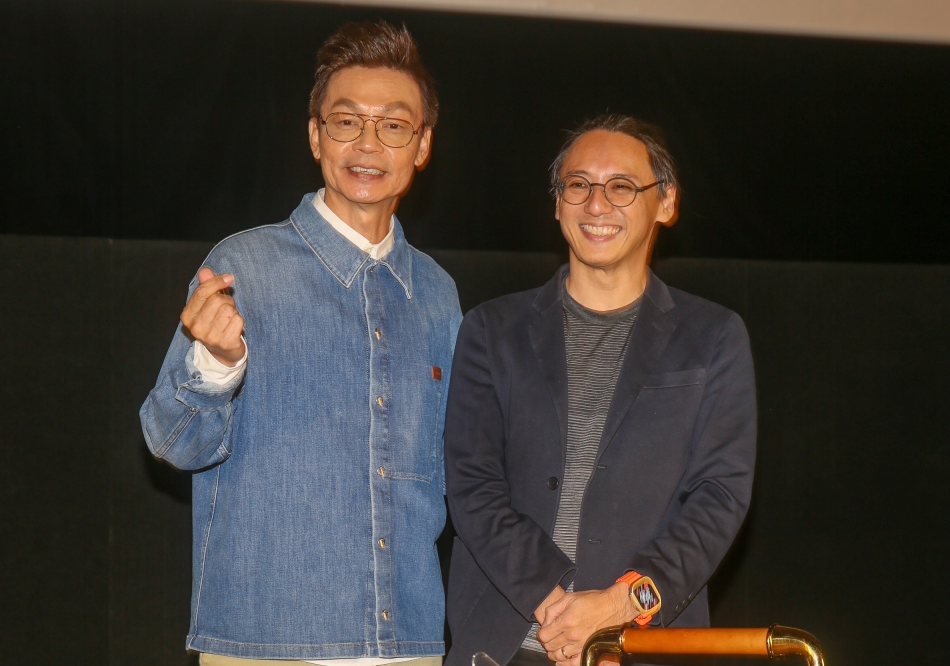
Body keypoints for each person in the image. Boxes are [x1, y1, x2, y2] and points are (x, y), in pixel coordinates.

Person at [140, 21, 461, 666]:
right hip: (266, 638)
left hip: (408, 640)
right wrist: (216, 363)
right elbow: (173, 444)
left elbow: (458, 471)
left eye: (393, 125)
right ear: (315, 136)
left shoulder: (436, 292)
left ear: (422, 145)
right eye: (346, 121)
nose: (368, 143)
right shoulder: (243, 269)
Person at [443, 114, 756, 666]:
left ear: (666, 202)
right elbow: (472, 483)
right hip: (503, 647)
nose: (596, 204)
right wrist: (561, 614)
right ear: (557, 202)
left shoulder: (714, 336)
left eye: (621, 187)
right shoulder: (491, 329)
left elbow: (719, 499)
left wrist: (617, 608)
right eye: (578, 185)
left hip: (642, 646)